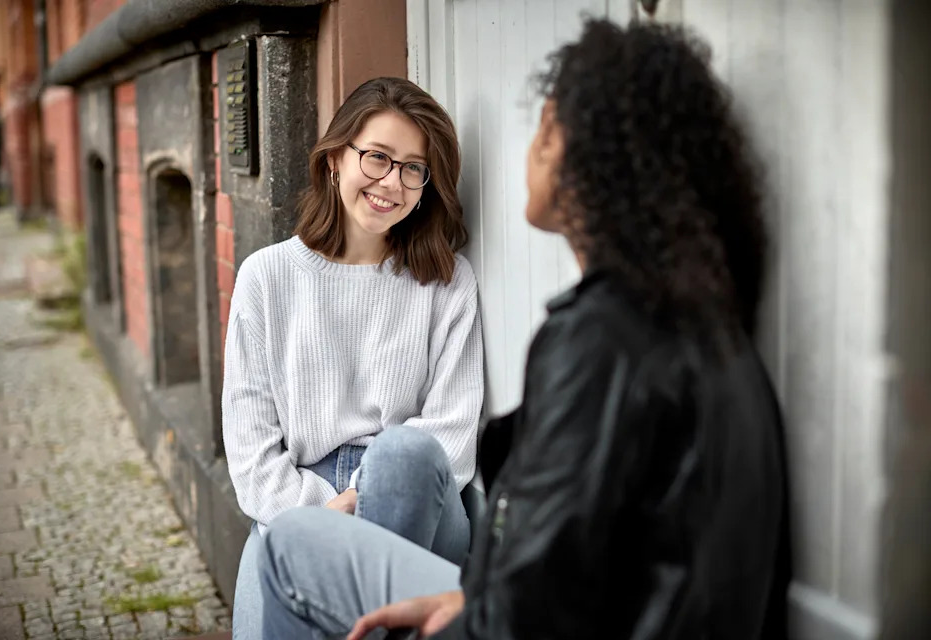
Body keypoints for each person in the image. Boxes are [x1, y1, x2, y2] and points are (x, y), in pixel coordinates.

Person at [257, 19, 792, 640]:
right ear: (334, 160)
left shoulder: (602, 343)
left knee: (293, 546)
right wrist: (469, 598)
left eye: (547, 126)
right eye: (377, 158)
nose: (531, 144)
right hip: (536, 606)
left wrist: (473, 608)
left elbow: (532, 605)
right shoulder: (698, 330)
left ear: (594, 157)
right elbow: (584, 564)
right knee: (289, 534)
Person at [222, 77, 484, 639]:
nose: (392, 181)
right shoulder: (267, 278)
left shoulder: (446, 281)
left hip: (424, 499)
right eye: (378, 157)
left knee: (405, 452)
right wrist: (321, 511)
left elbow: (453, 433)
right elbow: (250, 451)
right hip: (297, 498)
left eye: (413, 168)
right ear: (336, 157)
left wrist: (361, 501)